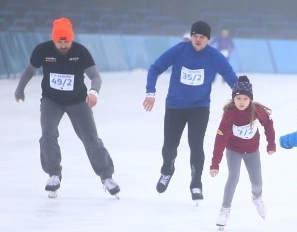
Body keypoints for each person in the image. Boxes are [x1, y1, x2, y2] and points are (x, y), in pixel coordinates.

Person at [14, 17, 120, 198]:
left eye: (67, 42)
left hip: (78, 101)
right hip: (51, 101)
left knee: (91, 139)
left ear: (72, 39)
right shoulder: (43, 50)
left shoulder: (81, 52)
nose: (63, 46)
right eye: (59, 42)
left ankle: (107, 177)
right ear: (53, 39)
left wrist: (94, 92)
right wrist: (20, 89)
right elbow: (30, 70)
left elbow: (95, 77)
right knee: (47, 133)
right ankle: (53, 174)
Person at [144, 20, 239, 202]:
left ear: (208, 39)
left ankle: (196, 183)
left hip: (199, 108)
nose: (197, 39)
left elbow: (230, 76)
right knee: (170, 146)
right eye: (195, 36)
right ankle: (167, 170)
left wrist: (244, 95)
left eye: (201, 37)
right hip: (175, 107)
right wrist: (150, 91)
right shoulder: (180, 50)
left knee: (196, 145)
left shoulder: (214, 56)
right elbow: (155, 68)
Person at [209, 76, 276, 228]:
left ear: (250, 99)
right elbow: (220, 139)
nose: (241, 102)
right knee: (233, 177)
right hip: (233, 150)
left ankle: (257, 198)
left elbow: (268, 125)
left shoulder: (257, 111)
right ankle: (225, 210)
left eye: (245, 98)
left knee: (257, 182)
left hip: (252, 151)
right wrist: (215, 164)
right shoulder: (229, 114)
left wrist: (271, 144)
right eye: (238, 98)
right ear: (234, 99)